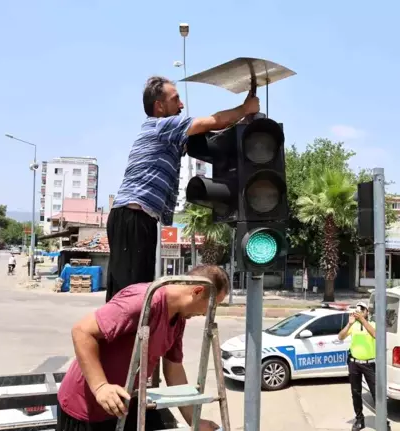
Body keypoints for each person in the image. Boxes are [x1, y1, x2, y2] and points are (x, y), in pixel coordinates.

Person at [105, 76, 260, 302]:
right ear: (159, 106)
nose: (181, 105)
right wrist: (245, 107)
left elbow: (213, 136)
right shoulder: (162, 126)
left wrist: (244, 119)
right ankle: (117, 334)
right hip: (133, 216)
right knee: (131, 296)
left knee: (135, 292)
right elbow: (213, 121)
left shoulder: (171, 136)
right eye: (175, 99)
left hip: (138, 218)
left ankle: (126, 335)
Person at [56, 265, 229, 431]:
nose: (208, 312)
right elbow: (81, 331)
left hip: (124, 405)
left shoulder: (179, 319)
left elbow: (174, 370)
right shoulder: (143, 301)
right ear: (197, 291)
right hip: (86, 409)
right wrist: (100, 386)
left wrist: (194, 421)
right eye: (212, 304)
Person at [337, 302, 390, 431]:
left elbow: (375, 335)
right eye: (358, 309)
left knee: (376, 393)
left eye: (362, 309)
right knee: (356, 392)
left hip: (369, 364)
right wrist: (349, 323)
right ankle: (359, 419)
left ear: (367, 312)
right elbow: (340, 336)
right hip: (354, 363)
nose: (359, 311)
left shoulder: (372, 324)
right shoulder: (353, 325)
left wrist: (362, 320)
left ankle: (383, 420)